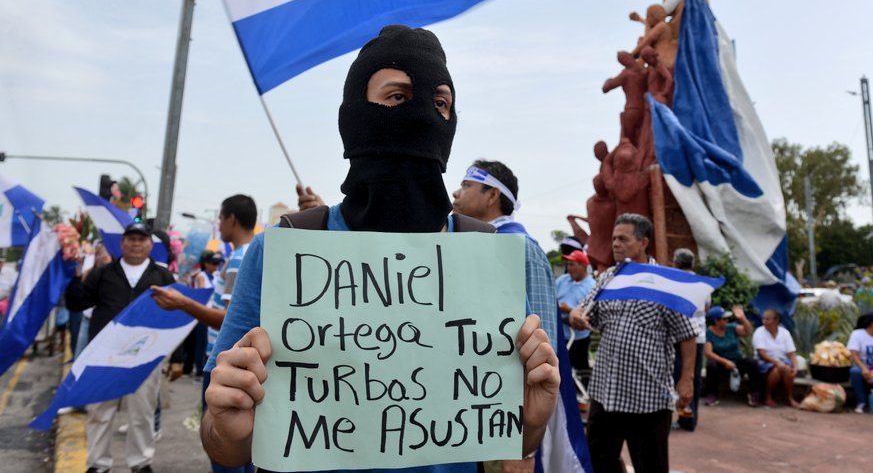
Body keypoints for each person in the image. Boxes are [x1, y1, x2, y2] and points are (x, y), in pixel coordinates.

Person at [201, 25, 559, 472]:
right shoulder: (283, 251)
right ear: (355, 115)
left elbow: (506, 441)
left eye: (440, 104)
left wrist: (531, 420)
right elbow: (224, 445)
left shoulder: (484, 257)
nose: (425, 118)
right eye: (397, 98)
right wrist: (228, 426)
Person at [569, 214, 697, 473]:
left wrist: (687, 379)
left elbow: (687, 333)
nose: (615, 244)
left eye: (623, 239)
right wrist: (575, 315)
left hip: (647, 398)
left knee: (651, 466)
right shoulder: (607, 278)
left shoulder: (663, 283)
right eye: (614, 238)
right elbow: (584, 310)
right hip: (606, 394)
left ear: (643, 243)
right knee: (599, 461)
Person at [152, 195, 259, 473]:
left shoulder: (239, 259)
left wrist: (183, 303)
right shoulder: (254, 254)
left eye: (221, 219)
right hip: (243, 366)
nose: (219, 225)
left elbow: (231, 322)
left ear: (231, 219)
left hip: (225, 365)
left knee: (224, 449)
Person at [65, 222, 183, 473]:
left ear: (150, 244)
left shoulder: (162, 277)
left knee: (142, 413)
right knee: (100, 411)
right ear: (122, 243)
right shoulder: (103, 273)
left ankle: (141, 462)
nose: (136, 244)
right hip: (105, 355)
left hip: (145, 356)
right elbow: (77, 303)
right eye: (131, 239)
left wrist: (178, 358)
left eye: (142, 239)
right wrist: (73, 277)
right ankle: (98, 464)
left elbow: (176, 317)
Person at [452, 159, 560, 344]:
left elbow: (543, 337)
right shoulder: (464, 243)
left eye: (466, 185)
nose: (456, 193)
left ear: (492, 195)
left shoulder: (523, 248)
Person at [671, 247, 705, 431]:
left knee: (676, 377)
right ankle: (690, 418)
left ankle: (680, 415)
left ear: (676, 262)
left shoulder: (675, 282)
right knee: (694, 379)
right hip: (699, 337)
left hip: (679, 337)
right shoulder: (701, 282)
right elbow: (706, 308)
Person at [704, 305, 760, 407]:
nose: (727, 320)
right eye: (724, 319)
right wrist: (725, 362)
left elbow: (747, 331)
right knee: (711, 365)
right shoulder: (709, 333)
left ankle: (754, 393)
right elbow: (708, 353)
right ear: (716, 321)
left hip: (737, 362)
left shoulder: (731, 328)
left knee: (752, 362)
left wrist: (742, 318)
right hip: (721, 365)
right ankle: (712, 395)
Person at [555, 249, 595, 387]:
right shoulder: (561, 281)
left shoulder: (592, 286)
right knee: (561, 367)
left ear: (583, 266)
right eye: (568, 264)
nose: (569, 268)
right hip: (561, 332)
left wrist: (569, 310)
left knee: (581, 366)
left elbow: (592, 312)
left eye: (572, 264)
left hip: (580, 336)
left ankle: (584, 394)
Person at [752, 309, 800, 408]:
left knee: (789, 371)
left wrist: (795, 366)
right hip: (764, 361)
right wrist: (777, 363)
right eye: (763, 319)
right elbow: (761, 354)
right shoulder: (759, 332)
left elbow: (791, 353)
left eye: (768, 319)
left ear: (776, 320)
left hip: (781, 361)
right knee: (776, 371)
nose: (764, 321)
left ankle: (790, 397)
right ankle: (768, 396)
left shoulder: (785, 333)